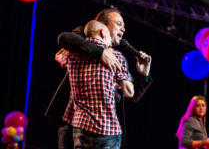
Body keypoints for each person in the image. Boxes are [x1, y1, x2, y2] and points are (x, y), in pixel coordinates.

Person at [45, 8, 152, 149]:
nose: (124, 29)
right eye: (119, 23)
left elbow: (132, 95)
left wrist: (143, 75)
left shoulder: (118, 57)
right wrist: (101, 52)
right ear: (103, 26)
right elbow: (64, 39)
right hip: (73, 125)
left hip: (106, 129)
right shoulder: (82, 34)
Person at [60, 20, 133, 148]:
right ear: (103, 33)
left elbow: (60, 55)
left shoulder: (71, 53)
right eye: (109, 37)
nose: (110, 41)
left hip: (81, 126)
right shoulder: (115, 56)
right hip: (108, 129)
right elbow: (129, 92)